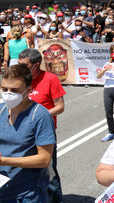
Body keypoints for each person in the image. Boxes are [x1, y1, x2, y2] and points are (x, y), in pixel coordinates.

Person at [0, 64, 56, 202]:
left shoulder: (39, 115)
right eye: (4, 89)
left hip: (27, 193)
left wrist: (4, 161)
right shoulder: (1, 110)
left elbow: (44, 159)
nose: (8, 93)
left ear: (29, 90)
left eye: (15, 90)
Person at [18, 48, 66, 203]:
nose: (20, 68)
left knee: (48, 172)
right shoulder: (20, 79)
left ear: (36, 65)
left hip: (44, 133)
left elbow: (60, 107)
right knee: (25, 170)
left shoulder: (50, 79)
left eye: (24, 65)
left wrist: (37, 118)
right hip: (22, 133)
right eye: (19, 64)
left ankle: (55, 200)